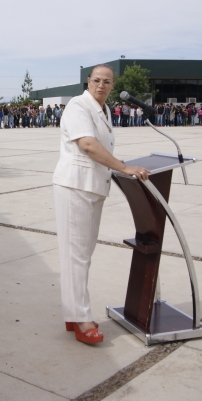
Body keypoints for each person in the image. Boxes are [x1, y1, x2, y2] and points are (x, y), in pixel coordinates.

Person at [53, 64, 151, 345]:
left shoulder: (103, 109)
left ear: (112, 85)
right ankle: (81, 318)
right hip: (75, 186)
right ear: (88, 81)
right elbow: (88, 145)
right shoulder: (78, 106)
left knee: (83, 253)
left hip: (92, 187)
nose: (101, 85)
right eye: (97, 80)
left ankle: (75, 314)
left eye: (107, 82)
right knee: (77, 255)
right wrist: (124, 167)